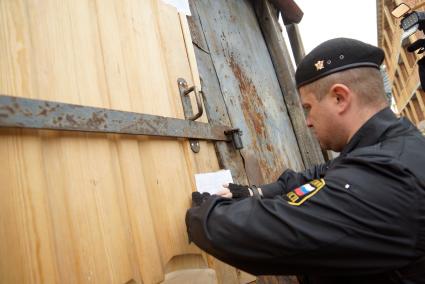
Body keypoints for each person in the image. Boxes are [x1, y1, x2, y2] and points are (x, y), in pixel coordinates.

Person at [185, 38, 425, 284]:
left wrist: (206, 214)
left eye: (309, 107)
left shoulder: (389, 178)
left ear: (340, 98)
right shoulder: (392, 147)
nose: (308, 121)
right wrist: (255, 192)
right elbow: (320, 174)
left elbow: (267, 234)